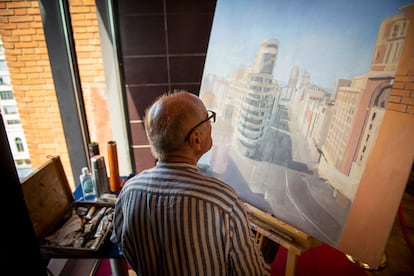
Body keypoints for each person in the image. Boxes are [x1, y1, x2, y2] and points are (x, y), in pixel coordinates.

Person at [111, 91, 271, 275]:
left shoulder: (129, 191)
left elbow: (124, 247)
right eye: (208, 118)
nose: (211, 124)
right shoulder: (223, 202)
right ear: (196, 139)